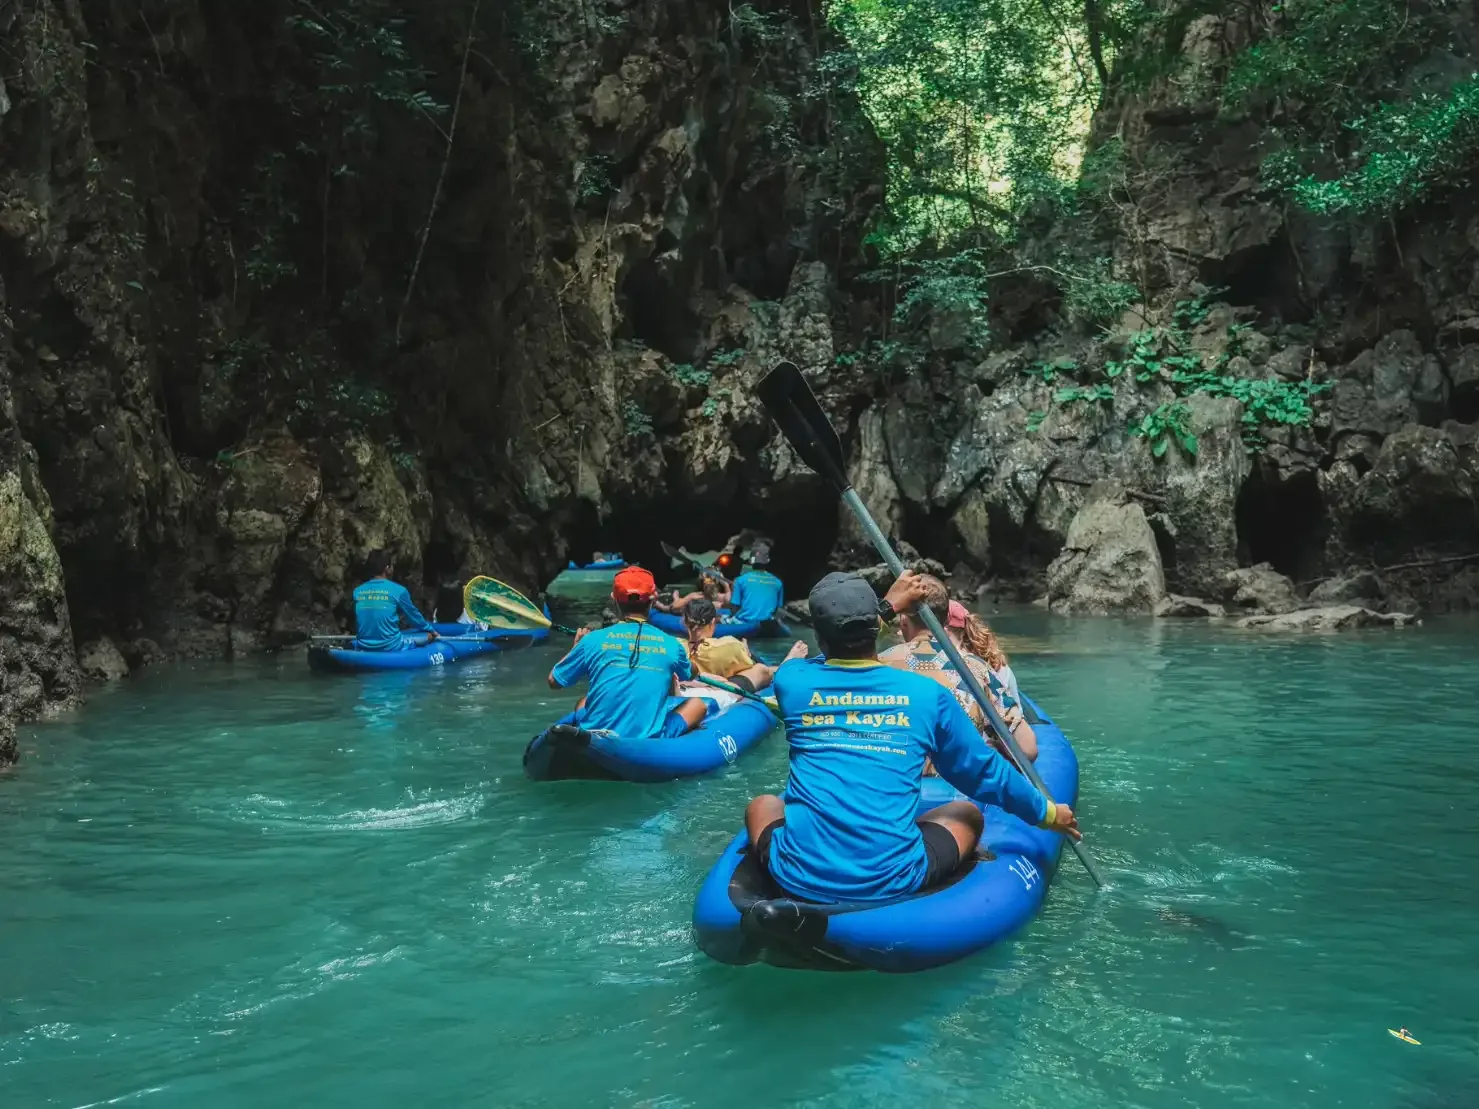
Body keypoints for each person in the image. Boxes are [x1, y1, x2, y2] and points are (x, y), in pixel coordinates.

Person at [743, 570, 1078, 905]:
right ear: (876, 631)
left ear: (818, 633)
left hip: (796, 877)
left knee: (763, 805)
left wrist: (888, 605)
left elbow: (817, 664)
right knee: (967, 814)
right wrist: (1048, 814)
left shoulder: (793, 681)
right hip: (892, 879)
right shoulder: (926, 695)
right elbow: (983, 772)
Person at [879, 581, 1037, 763]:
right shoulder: (974, 668)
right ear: (946, 621)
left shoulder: (879, 664)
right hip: (958, 783)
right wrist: (995, 750)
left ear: (903, 620)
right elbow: (1028, 749)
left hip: (894, 779)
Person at [547, 566, 708, 738]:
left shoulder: (591, 640)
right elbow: (690, 675)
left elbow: (554, 682)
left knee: (584, 702)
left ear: (614, 599)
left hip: (596, 736)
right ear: (653, 600)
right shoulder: (671, 645)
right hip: (646, 741)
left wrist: (575, 648)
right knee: (698, 704)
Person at [683, 598, 807, 693]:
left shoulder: (676, 646)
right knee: (760, 668)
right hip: (726, 688)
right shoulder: (728, 645)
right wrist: (743, 651)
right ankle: (785, 665)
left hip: (693, 687)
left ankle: (782, 665)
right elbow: (755, 669)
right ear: (713, 622)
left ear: (684, 622)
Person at [353, 550, 438, 650]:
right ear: (387, 568)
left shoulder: (357, 592)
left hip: (364, 645)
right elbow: (413, 617)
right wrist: (431, 630)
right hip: (391, 646)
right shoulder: (399, 591)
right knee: (427, 636)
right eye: (392, 566)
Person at [726, 539, 784, 625]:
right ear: (768, 561)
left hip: (744, 622)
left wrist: (729, 617)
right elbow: (777, 609)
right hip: (767, 622)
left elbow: (734, 608)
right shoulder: (778, 582)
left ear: (750, 561)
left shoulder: (740, 580)